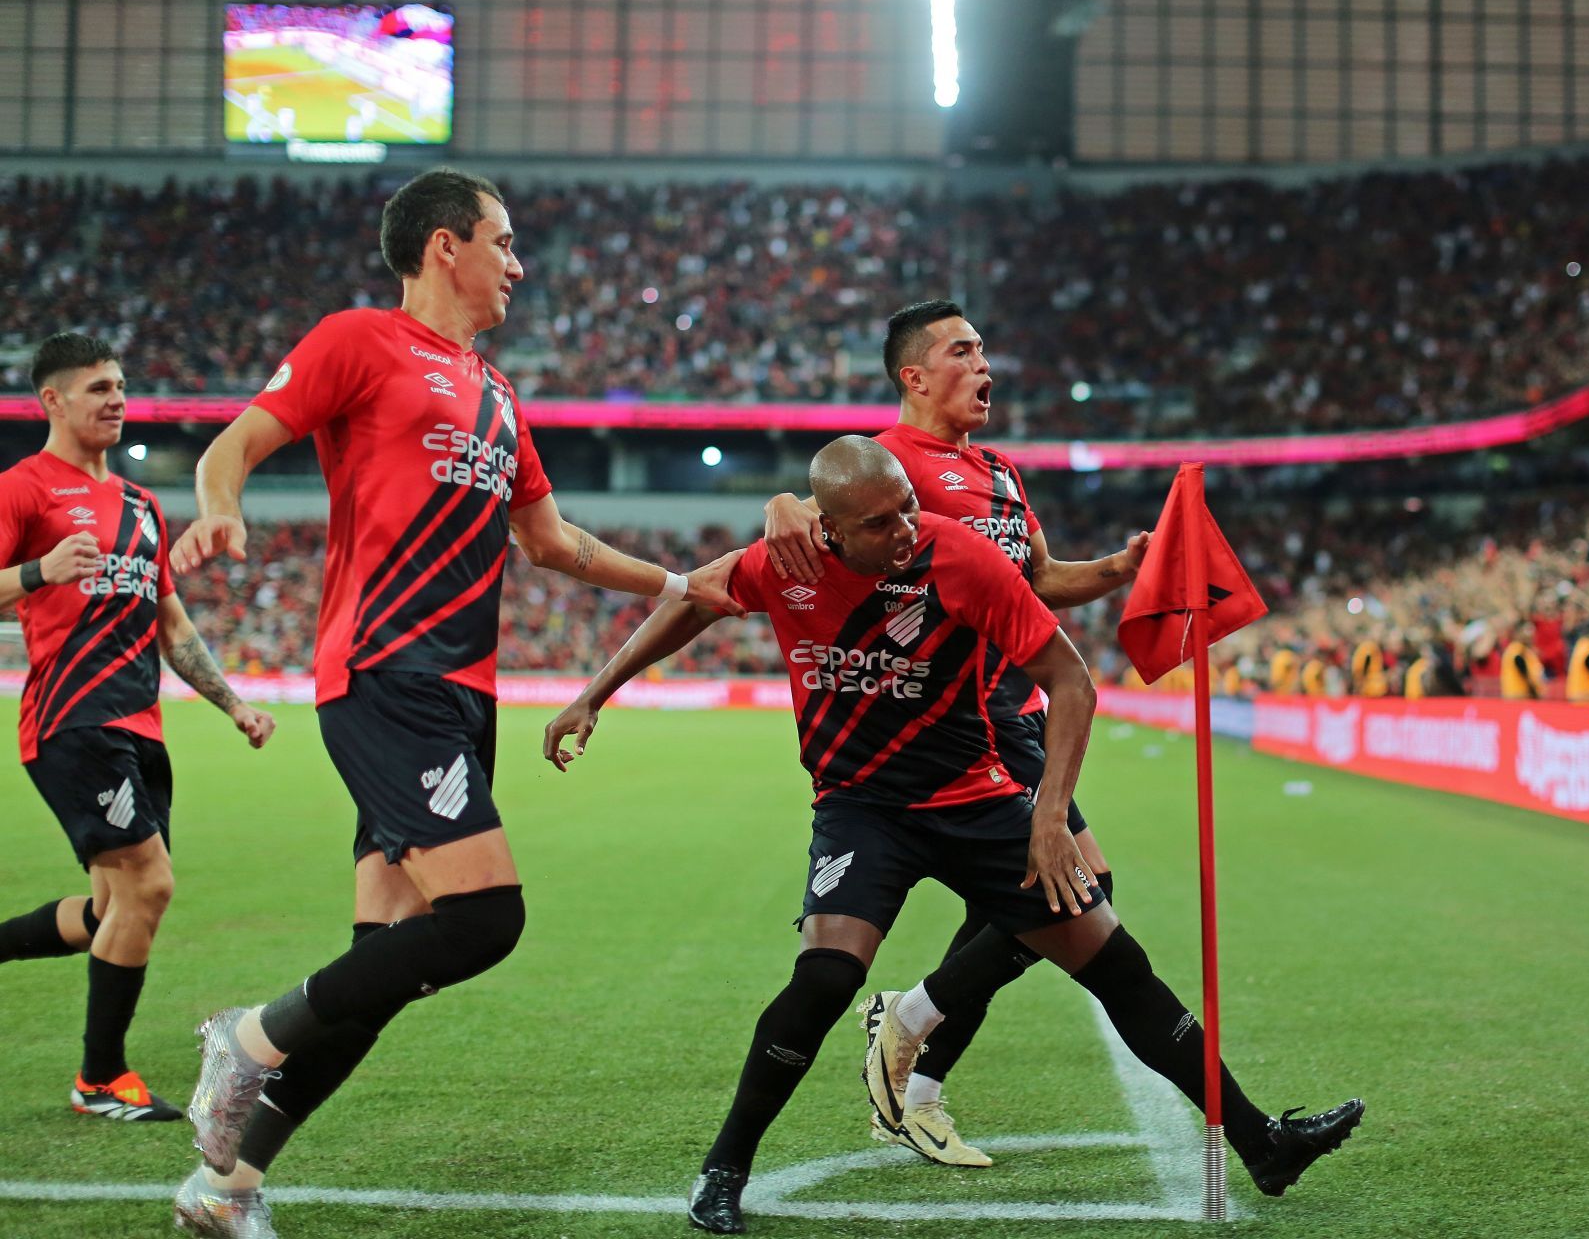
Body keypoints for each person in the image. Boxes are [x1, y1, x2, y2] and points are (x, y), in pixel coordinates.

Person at [543, 437, 1364, 1235]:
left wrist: (1049, 819)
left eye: (907, 509)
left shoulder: (962, 558)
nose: (904, 531)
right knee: (825, 978)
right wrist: (595, 693)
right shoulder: (784, 564)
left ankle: (1263, 1144)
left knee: (1119, 966)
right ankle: (724, 1170)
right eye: (879, 524)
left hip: (975, 803)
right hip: (862, 809)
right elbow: (693, 599)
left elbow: (1071, 683)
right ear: (828, 529)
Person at [164, 168, 742, 1239]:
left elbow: (554, 541)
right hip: (386, 674)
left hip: (460, 697)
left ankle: (225, 1185)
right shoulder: (356, 341)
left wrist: (670, 584)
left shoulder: (498, 393)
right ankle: (245, 1035)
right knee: (486, 918)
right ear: (444, 246)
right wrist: (221, 511)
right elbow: (234, 443)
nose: (518, 264)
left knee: (378, 970)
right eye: (505, 241)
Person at [757, 301, 1150, 1165]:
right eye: (965, 351)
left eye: (985, 348)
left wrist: (1118, 570)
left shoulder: (1002, 472)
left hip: (1025, 710)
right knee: (1072, 891)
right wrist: (779, 500)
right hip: (967, 715)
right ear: (914, 374)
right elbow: (818, 519)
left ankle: (913, 1050)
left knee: (1051, 895)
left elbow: (1038, 580)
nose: (986, 367)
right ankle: (914, 1043)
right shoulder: (892, 468)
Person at [0, 333, 276, 1124]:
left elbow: (170, 622)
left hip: (140, 728)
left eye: (120, 385)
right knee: (149, 886)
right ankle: (99, 1078)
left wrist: (231, 703)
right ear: (51, 400)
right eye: (96, 388)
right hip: (72, 720)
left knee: (105, 912)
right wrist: (36, 574)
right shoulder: (23, 489)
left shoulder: (141, 506)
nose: (116, 399)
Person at [1500, 621, 1545, 700]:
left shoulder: (1524, 649)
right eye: (1527, 631)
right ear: (1518, 633)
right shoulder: (1516, 647)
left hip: (1519, 696)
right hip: (1518, 696)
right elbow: (1518, 660)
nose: (1530, 635)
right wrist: (1532, 688)